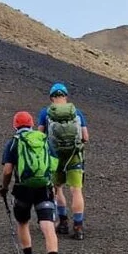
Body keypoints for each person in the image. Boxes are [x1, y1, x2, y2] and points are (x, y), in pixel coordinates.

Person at [0, 111, 65, 254]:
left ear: (15, 125)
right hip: (44, 187)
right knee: (48, 226)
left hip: (22, 189)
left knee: (23, 222)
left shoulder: (13, 142)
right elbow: (54, 164)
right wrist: (54, 185)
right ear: (32, 124)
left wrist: (4, 188)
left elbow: (7, 170)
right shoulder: (43, 140)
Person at [37, 82, 89, 239]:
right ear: (65, 96)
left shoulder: (45, 113)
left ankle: (63, 222)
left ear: (52, 97)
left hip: (54, 157)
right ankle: (78, 226)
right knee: (76, 190)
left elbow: (40, 137)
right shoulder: (77, 112)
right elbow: (85, 137)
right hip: (74, 156)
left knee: (57, 188)